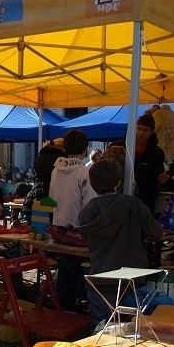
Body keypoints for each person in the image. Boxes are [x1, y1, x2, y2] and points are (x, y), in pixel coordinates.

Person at [77, 159, 162, 325]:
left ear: (92, 184)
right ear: (118, 182)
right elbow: (155, 234)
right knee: (132, 332)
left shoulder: (85, 213)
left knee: (102, 331)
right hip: (131, 280)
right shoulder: (133, 204)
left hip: (100, 279)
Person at [49, 129, 97, 312]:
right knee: (75, 268)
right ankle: (69, 306)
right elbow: (90, 202)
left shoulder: (56, 171)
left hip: (58, 224)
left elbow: (52, 197)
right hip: (77, 227)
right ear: (85, 148)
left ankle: (63, 304)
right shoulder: (84, 172)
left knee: (66, 266)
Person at [110, 113, 166, 212]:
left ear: (152, 132)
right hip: (116, 199)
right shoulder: (116, 146)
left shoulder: (157, 153)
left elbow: (155, 179)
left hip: (143, 202)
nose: (141, 132)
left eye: (145, 130)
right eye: (139, 128)